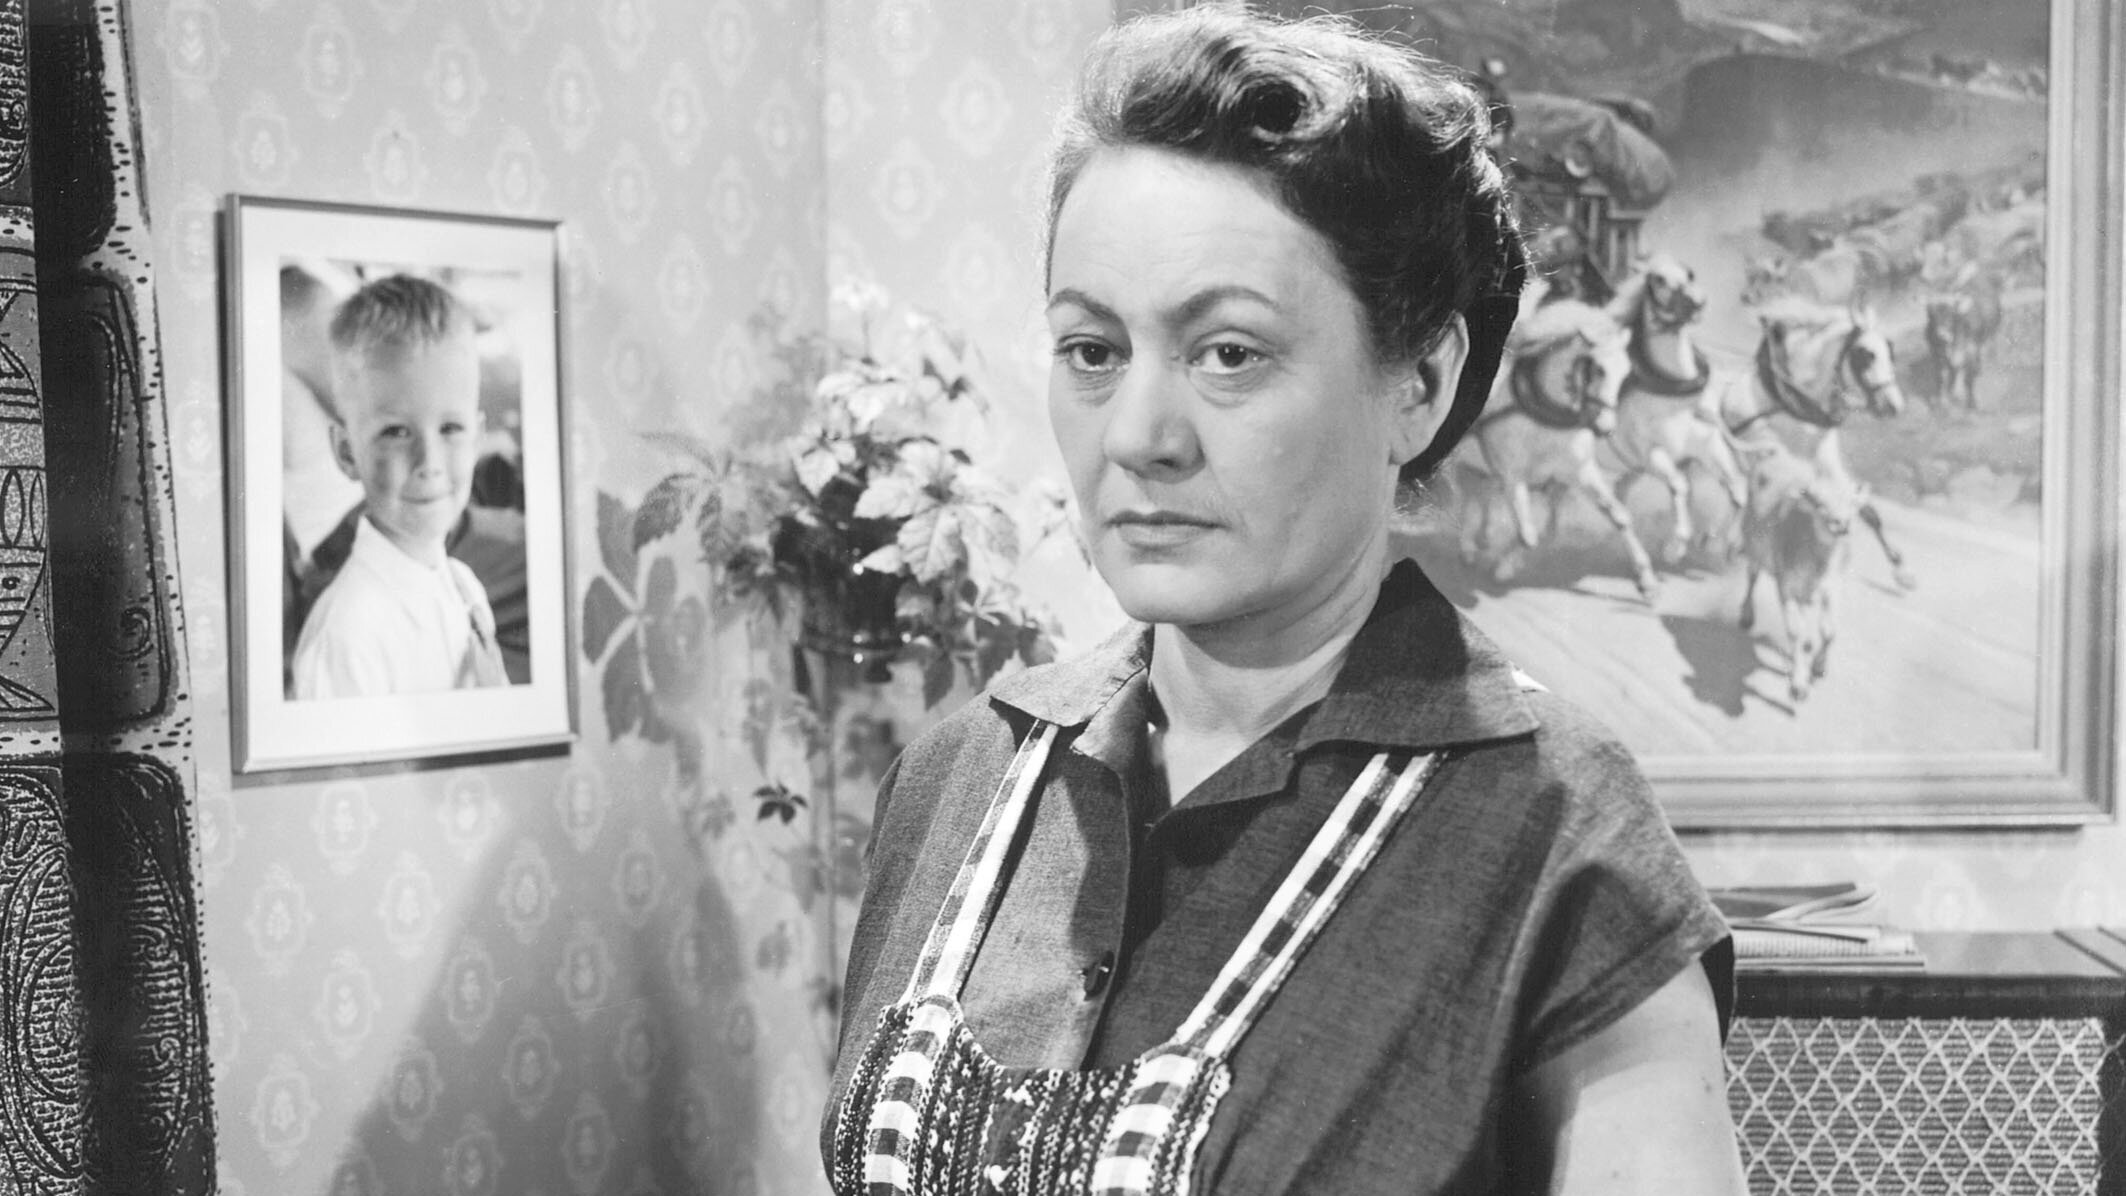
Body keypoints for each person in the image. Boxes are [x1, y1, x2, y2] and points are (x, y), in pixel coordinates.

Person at [822, 9, 1743, 1196]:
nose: (1139, 436)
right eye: (1092, 350)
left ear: (1418, 382)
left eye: (1229, 353)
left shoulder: (1558, 833)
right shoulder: (957, 776)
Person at [289, 274, 510, 699]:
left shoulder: (464, 588)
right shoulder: (349, 637)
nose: (429, 463)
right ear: (347, 452)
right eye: (395, 432)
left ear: (477, 439)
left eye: (451, 428)